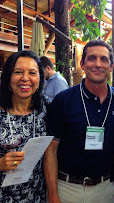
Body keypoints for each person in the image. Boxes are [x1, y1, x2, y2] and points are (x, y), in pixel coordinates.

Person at [44, 40, 114, 203]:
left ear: (110, 66)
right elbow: (50, 151)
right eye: (92, 58)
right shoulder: (63, 100)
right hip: (67, 189)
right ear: (82, 64)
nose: (97, 64)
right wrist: (53, 195)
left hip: (105, 189)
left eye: (104, 59)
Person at [0, 51, 47, 202]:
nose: (25, 78)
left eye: (32, 73)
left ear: (39, 78)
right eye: (18, 72)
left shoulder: (46, 109)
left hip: (36, 196)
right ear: (8, 77)